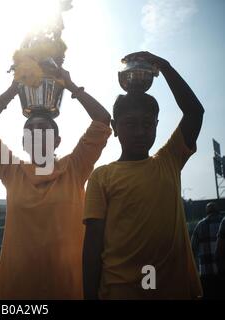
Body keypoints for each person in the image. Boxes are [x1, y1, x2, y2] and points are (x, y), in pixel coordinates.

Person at [0, 67, 111, 299]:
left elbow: (103, 120)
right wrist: (12, 90)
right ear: (23, 142)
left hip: (68, 285)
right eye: (31, 131)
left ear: (57, 141)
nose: (37, 134)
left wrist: (70, 85)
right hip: (18, 287)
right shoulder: (11, 170)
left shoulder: (75, 167)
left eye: (44, 130)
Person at [83, 51, 204, 300]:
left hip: (176, 290)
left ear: (157, 126)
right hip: (119, 292)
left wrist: (164, 65)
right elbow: (93, 244)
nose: (140, 132)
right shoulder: (102, 177)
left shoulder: (169, 160)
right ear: (115, 128)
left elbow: (194, 113)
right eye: (130, 124)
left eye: (147, 124)